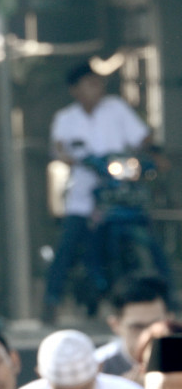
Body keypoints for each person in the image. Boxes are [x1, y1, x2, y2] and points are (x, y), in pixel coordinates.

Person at [42, 62, 160, 322]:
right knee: (68, 246)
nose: (98, 87)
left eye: (98, 82)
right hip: (84, 195)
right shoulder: (66, 118)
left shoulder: (116, 108)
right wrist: (72, 159)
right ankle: (51, 301)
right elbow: (60, 149)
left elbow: (142, 138)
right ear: (75, 89)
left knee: (149, 239)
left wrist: (148, 152)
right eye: (90, 83)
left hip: (119, 193)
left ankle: (166, 299)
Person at [95, 273, 172, 377]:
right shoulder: (97, 368)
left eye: (155, 325)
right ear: (115, 325)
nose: (147, 335)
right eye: (137, 327)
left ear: (170, 320)